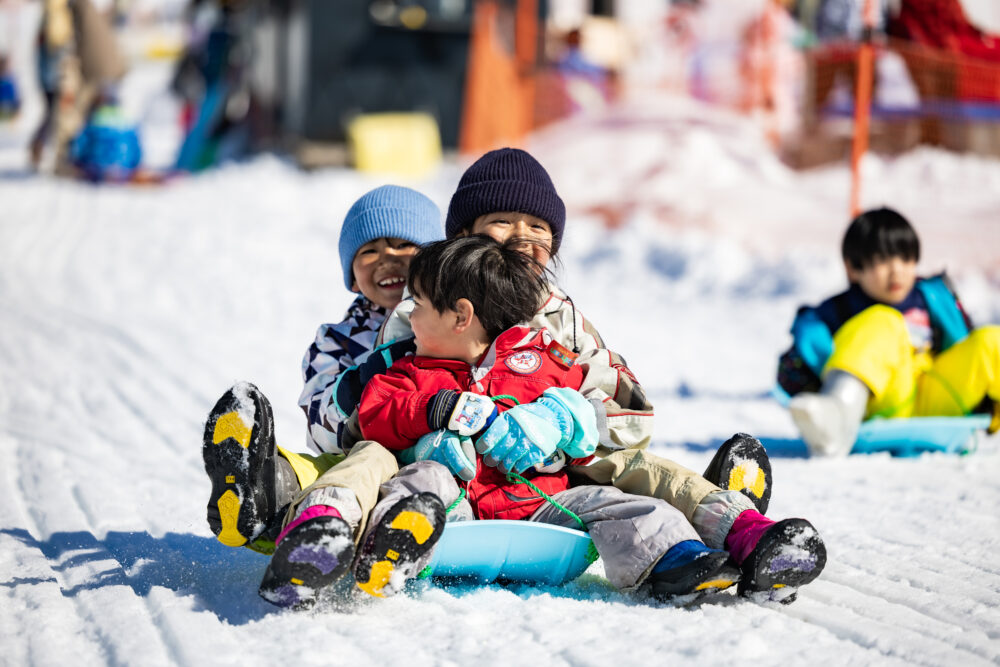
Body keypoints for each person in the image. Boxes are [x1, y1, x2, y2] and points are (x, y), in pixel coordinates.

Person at [258, 149, 826, 608]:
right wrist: (438, 420)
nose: (521, 237)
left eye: (537, 225)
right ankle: (338, 522)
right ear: (464, 236)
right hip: (448, 479)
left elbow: (628, 416)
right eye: (500, 222)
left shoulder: (558, 319)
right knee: (392, 465)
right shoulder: (418, 315)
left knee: (627, 472)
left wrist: (563, 418)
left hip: (546, 480)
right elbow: (377, 407)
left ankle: (735, 532)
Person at [202, 184, 443, 554]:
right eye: (369, 251)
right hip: (361, 454)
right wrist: (355, 391)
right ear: (351, 272)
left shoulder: (455, 321)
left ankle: (285, 513)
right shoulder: (337, 342)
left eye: (402, 245)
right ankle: (261, 488)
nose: (387, 259)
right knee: (332, 470)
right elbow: (320, 427)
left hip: (436, 458)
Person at [779, 207, 1000, 457]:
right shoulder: (839, 310)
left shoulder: (932, 298)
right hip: (885, 401)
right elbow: (803, 355)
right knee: (884, 320)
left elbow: (963, 341)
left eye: (905, 259)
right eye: (882, 261)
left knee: (991, 340)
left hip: (938, 394)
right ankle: (837, 417)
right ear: (853, 268)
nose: (896, 271)